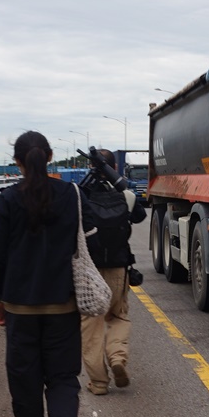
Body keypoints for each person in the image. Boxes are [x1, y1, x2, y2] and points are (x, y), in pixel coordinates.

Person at [0, 131, 88, 417]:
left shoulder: (7, 201)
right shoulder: (70, 195)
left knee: (24, 379)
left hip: (19, 306)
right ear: (49, 157)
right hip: (62, 303)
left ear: (17, 162)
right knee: (62, 376)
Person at [79, 149, 147, 395]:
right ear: (114, 168)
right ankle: (117, 357)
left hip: (90, 270)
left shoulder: (82, 193)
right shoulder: (125, 194)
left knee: (91, 325)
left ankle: (98, 382)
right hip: (119, 267)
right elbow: (139, 217)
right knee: (118, 316)